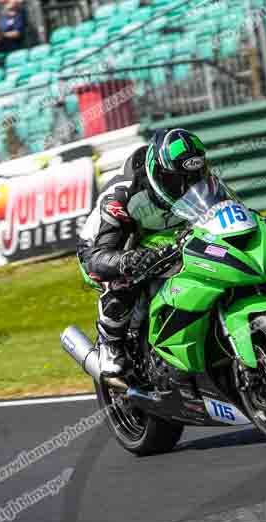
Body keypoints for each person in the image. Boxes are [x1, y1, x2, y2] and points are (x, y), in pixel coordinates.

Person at [76, 128, 211, 377]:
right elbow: (98, 258)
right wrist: (130, 259)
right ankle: (111, 344)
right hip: (106, 247)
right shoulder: (121, 197)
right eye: (176, 180)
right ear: (159, 174)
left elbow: (220, 206)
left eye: (193, 178)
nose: (185, 186)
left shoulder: (199, 181)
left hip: (161, 235)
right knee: (127, 275)